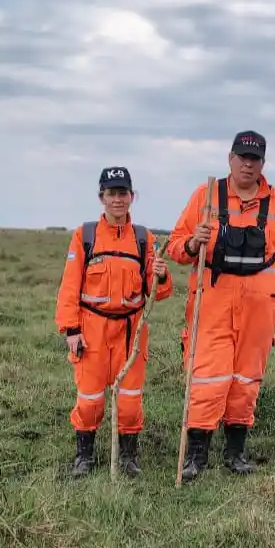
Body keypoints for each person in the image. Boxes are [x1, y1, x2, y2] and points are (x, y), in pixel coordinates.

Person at [166, 130, 275, 481]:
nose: (248, 164)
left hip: (261, 310)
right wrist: (192, 244)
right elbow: (175, 247)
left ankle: (235, 453)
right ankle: (196, 455)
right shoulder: (206, 195)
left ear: (263, 163)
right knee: (207, 378)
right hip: (212, 304)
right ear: (230, 159)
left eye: (255, 159)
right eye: (242, 157)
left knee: (246, 381)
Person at [55, 166, 173, 477]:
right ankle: (84, 457)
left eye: (123, 193)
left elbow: (159, 293)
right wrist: (71, 329)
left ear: (132, 197)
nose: (117, 199)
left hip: (131, 332)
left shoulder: (144, 239)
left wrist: (161, 274)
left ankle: (128, 458)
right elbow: (69, 286)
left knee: (130, 402)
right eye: (111, 194)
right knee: (90, 400)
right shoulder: (85, 236)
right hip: (91, 330)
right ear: (101, 198)